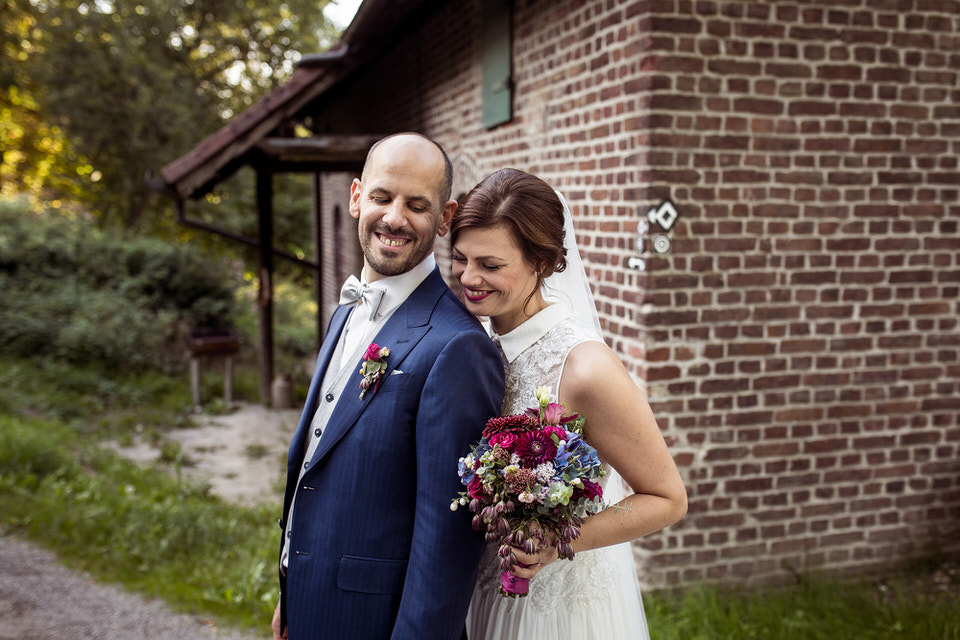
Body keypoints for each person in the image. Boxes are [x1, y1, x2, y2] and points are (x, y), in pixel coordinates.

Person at [272, 133, 505, 640]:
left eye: (417, 205)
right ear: (357, 197)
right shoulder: (343, 313)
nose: (395, 218)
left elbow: (446, 540)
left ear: (445, 218)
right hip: (309, 605)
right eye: (382, 197)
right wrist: (290, 592)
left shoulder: (457, 347)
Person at [450, 168, 688, 639]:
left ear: (540, 262)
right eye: (460, 258)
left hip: (557, 610)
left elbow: (667, 499)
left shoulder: (584, 367)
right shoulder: (475, 342)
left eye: (491, 265)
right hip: (480, 592)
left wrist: (555, 538)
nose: (469, 278)